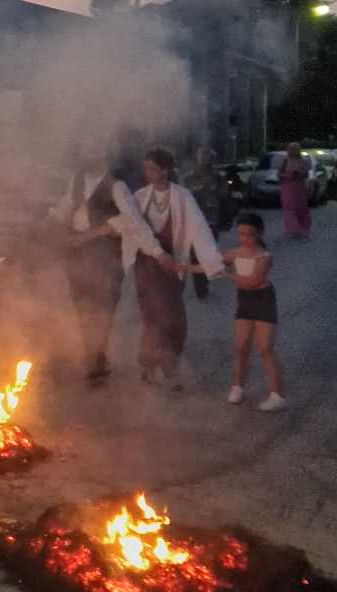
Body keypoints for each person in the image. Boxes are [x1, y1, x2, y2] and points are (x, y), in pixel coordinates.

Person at [111, 148, 225, 390]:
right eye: (146, 168)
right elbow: (128, 223)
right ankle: (155, 367)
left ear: (165, 170)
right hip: (146, 265)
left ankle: (163, 365)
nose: (147, 172)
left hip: (172, 265)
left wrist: (212, 262)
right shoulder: (140, 195)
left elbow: (199, 228)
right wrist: (101, 229)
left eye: (152, 168)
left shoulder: (183, 197)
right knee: (152, 316)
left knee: (174, 319)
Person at [51, 146, 123, 383]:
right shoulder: (77, 180)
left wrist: (97, 233)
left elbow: (129, 219)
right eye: (85, 153)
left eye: (92, 152)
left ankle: (99, 354)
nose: (86, 158)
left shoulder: (116, 185)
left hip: (106, 253)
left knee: (104, 305)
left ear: (102, 155)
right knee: (81, 304)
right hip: (76, 251)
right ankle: (91, 354)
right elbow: (64, 208)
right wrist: (53, 222)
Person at [224, 212, 286, 411]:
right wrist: (182, 266)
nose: (245, 239)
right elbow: (209, 264)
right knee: (241, 346)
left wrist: (227, 274)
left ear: (260, 233)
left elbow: (252, 282)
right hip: (245, 301)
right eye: (241, 234)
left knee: (265, 348)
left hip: (263, 299)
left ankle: (277, 396)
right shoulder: (234, 253)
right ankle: (237, 388)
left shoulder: (264, 257)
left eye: (250, 234)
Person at [185, 146, 226, 300]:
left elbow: (224, 196)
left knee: (209, 253)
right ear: (198, 159)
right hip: (194, 222)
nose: (206, 161)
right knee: (196, 255)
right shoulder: (189, 178)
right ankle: (201, 288)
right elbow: (183, 198)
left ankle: (204, 278)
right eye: (203, 158)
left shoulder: (219, 177)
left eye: (209, 158)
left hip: (213, 221)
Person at [278, 143, 312, 240]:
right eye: (291, 149)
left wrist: (300, 173)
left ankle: (303, 228)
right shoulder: (285, 161)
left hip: (299, 187)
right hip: (287, 187)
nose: (293, 151)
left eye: (295, 149)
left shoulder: (302, 161)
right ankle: (293, 230)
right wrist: (287, 176)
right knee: (289, 208)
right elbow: (279, 174)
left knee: (301, 209)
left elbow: (306, 174)